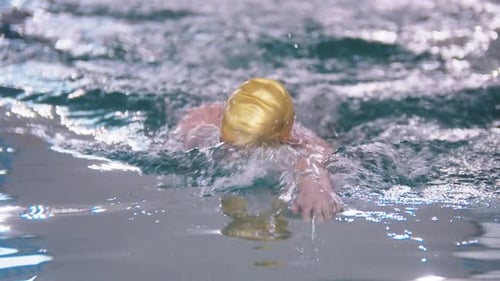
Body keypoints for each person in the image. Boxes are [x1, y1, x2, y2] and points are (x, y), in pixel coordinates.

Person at [172, 78, 342, 221]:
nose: (234, 156)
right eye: (229, 145)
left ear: (283, 140)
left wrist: (312, 181)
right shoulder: (197, 132)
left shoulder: (298, 138)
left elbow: (319, 155)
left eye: (250, 150)